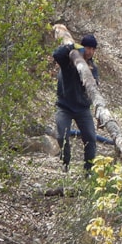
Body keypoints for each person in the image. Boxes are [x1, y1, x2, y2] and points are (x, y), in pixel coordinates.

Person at [52, 34, 99, 173]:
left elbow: (93, 88)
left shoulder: (92, 67)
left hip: (83, 109)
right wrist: (71, 46)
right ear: (82, 47)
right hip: (64, 106)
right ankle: (65, 163)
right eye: (87, 48)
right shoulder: (68, 61)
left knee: (90, 138)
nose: (90, 51)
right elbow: (56, 54)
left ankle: (88, 171)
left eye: (93, 49)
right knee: (61, 136)